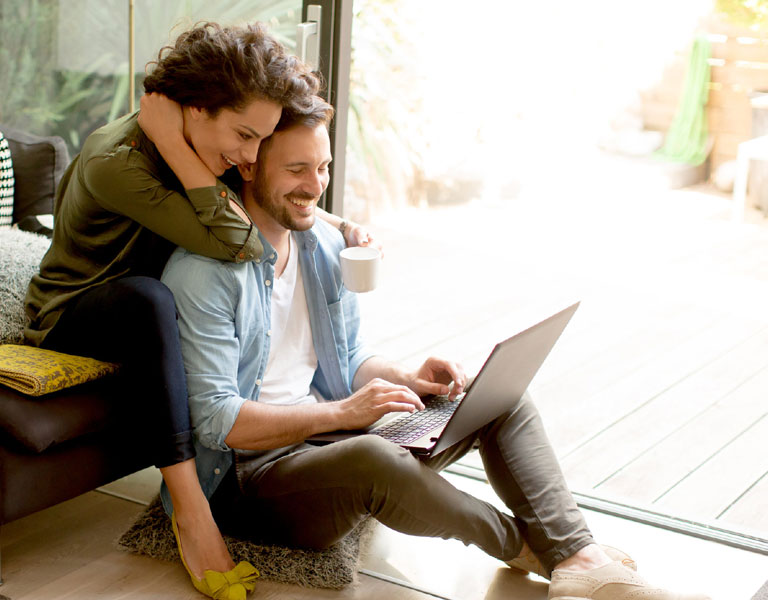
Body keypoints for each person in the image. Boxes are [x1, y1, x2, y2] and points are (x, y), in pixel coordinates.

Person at [159, 96, 712, 600]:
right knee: (376, 458)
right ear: (250, 164)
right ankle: (542, 552)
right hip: (249, 478)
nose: (316, 184)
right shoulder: (205, 274)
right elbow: (218, 422)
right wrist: (346, 414)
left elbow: (348, 360)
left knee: (499, 396)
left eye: (323, 166)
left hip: (331, 436)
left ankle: (577, 554)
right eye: (297, 169)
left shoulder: (325, 246)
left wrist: (406, 377)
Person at [23, 22, 376, 600]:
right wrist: (164, 143)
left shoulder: (203, 150)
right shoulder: (120, 161)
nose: (248, 155)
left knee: (163, 296)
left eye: (260, 142)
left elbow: (249, 206)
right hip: (78, 309)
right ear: (193, 107)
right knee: (150, 299)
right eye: (242, 135)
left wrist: (334, 222)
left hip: (152, 295)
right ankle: (190, 512)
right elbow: (241, 243)